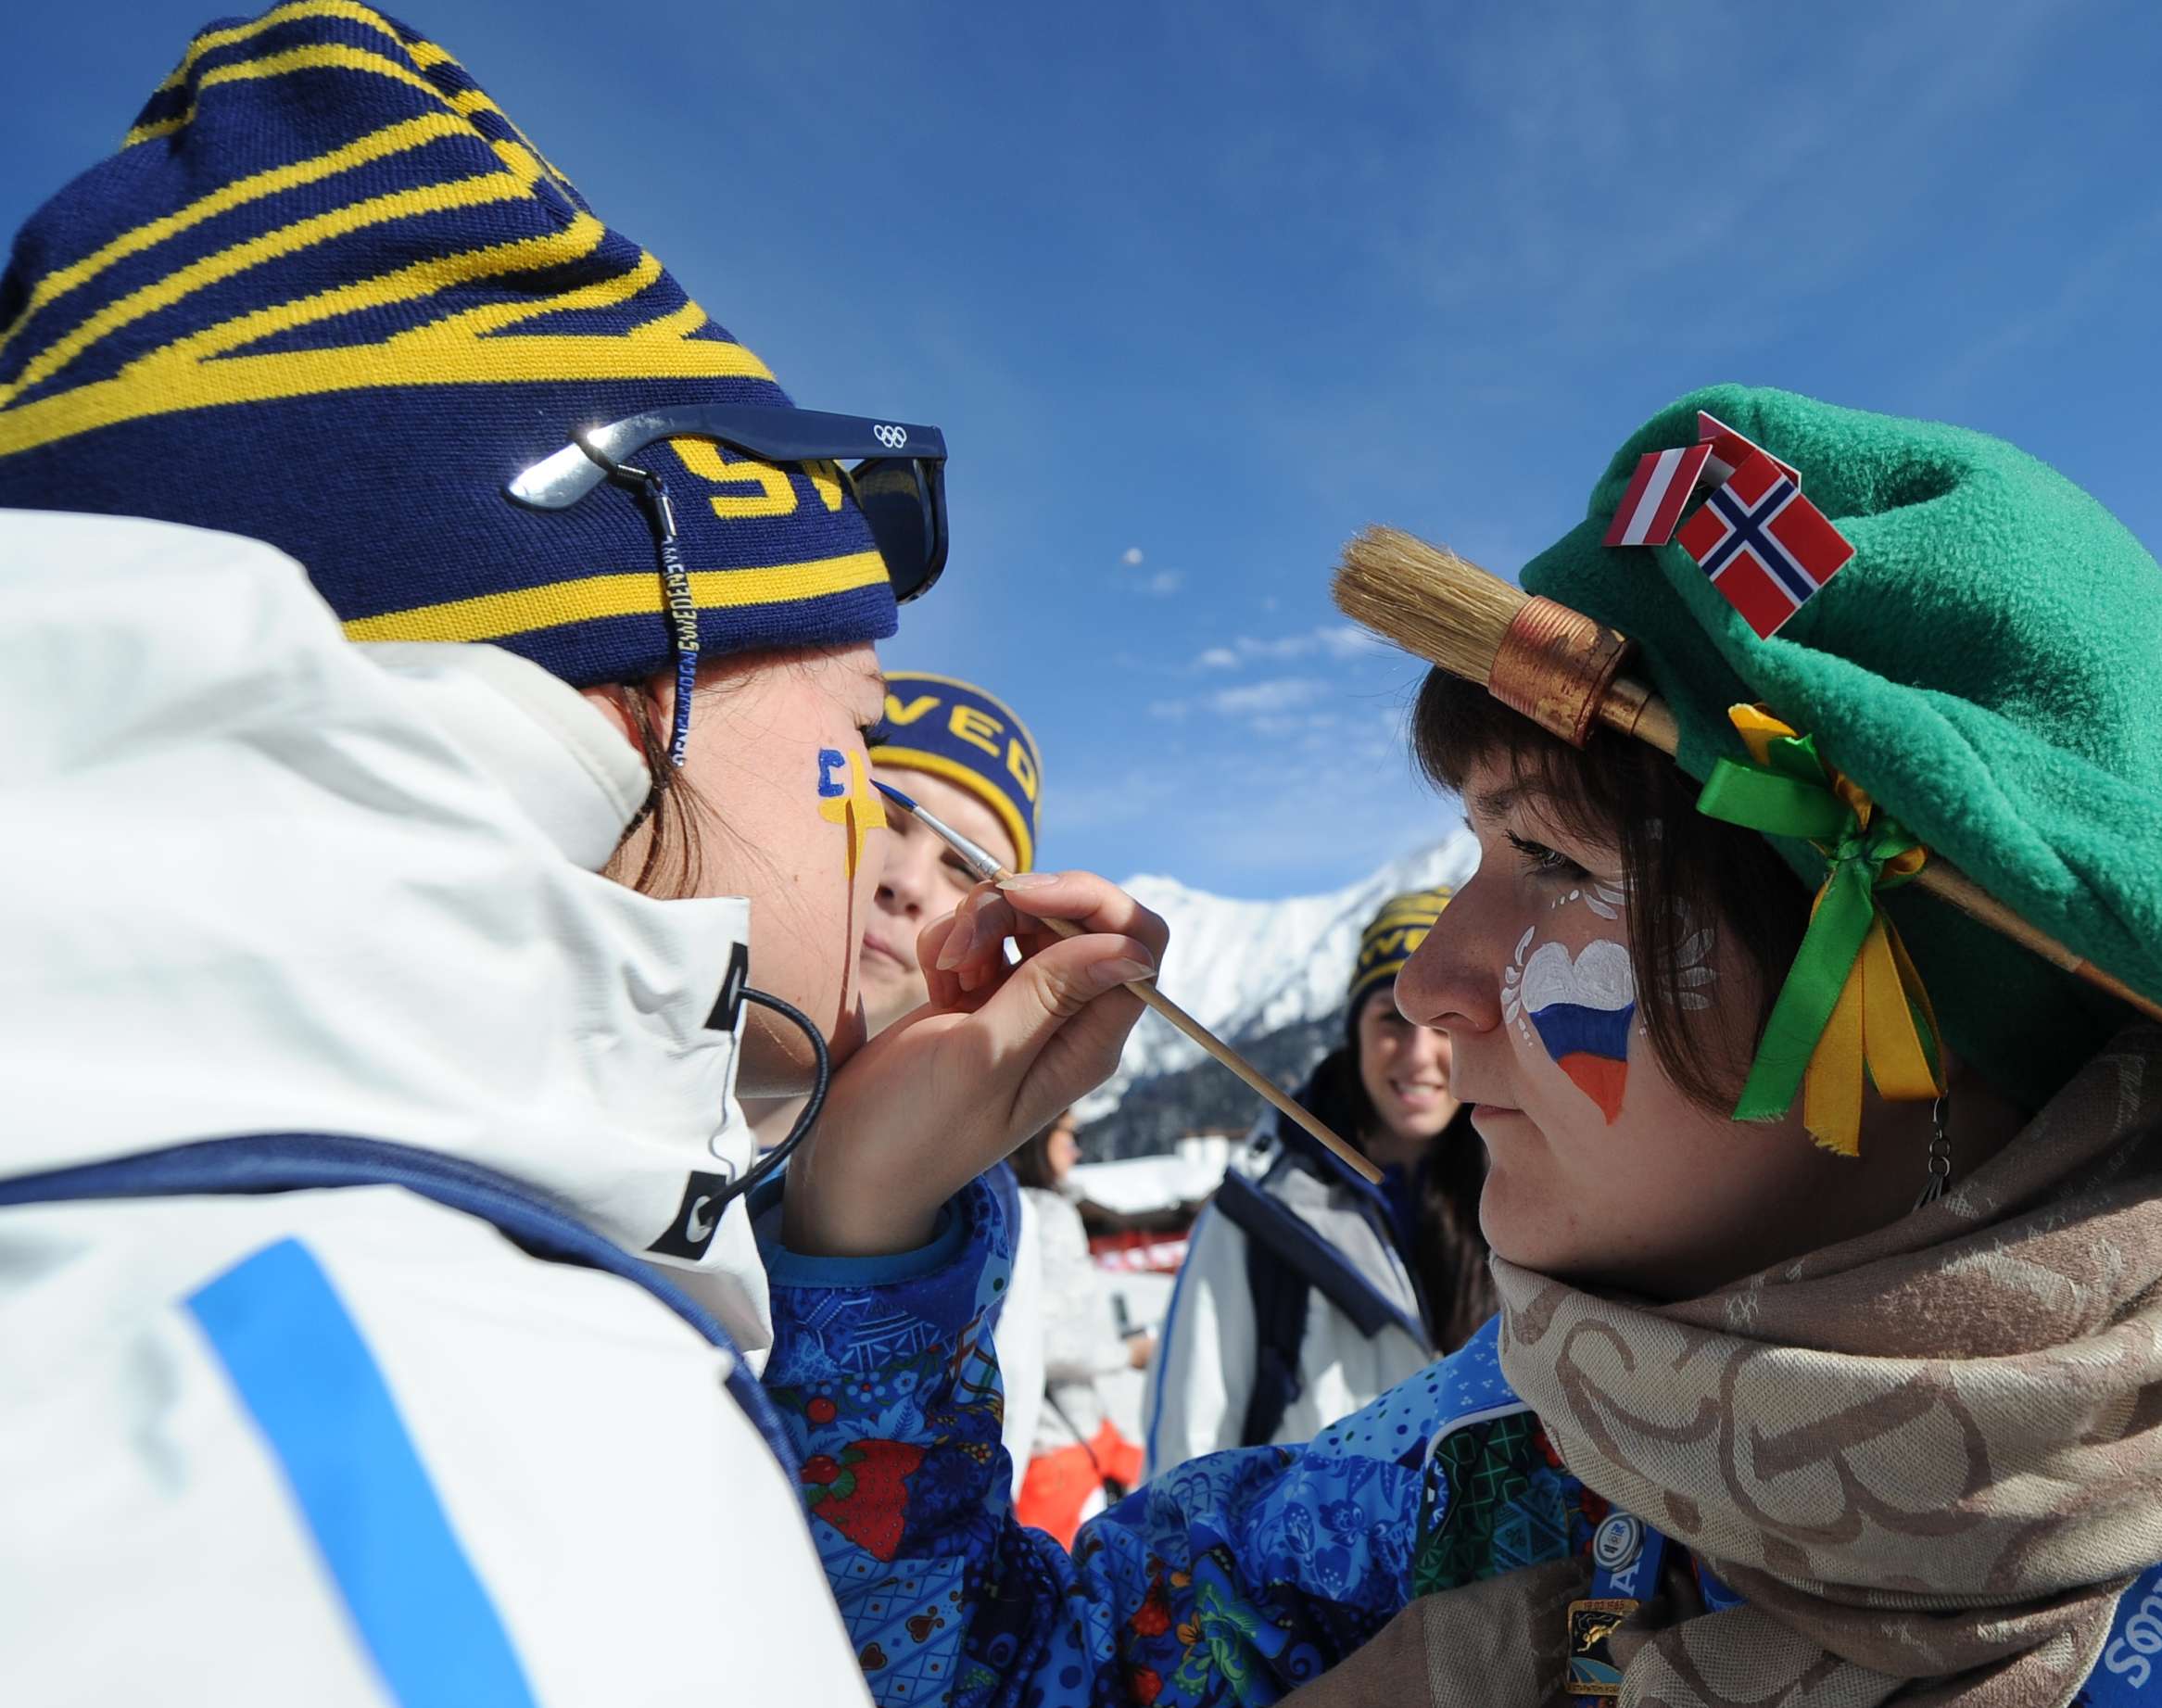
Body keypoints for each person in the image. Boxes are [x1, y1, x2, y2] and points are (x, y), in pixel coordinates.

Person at [0, 9, 1162, 1702]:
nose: (888, 864)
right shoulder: (485, 1439)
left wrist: (853, 1230)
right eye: (855, 728)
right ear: (646, 680)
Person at [755, 385, 2162, 1706]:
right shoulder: (1464, 1482)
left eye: (1550, 858)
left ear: (1910, 988)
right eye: (1475, 847)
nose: (1433, 979)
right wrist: (868, 1227)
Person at [1144, 889, 1493, 1474]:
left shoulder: (1530, 1202)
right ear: (1354, 1032)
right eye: (1393, 1019)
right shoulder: (1260, 1215)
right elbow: (1189, 1443)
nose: (1419, 1054)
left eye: (1445, 1024)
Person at [1007, 1108, 1154, 1547]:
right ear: (1037, 1137)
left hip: (1029, 1450)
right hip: (1063, 1453)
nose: (1076, 1149)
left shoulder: (992, 1207)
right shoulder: (1047, 1215)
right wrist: (1129, 1353)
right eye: (1069, 1135)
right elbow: (1047, 1342)